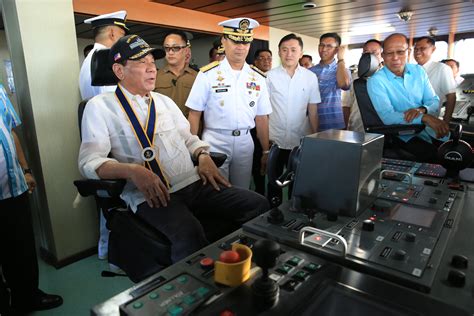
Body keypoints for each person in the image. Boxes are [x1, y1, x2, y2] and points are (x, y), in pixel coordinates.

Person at [78, 34, 269, 263]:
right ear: (119, 71)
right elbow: (89, 162)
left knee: (258, 204)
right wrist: (132, 171)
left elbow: (189, 138)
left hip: (194, 183)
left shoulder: (163, 101)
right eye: (141, 63)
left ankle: (246, 266)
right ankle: (195, 291)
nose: (152, 69)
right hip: (153, 196)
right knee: (189, 234)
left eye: (152, 62)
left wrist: (203, 155)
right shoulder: (100, 107)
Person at [186, 18, 272, 189]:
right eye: (235, 41)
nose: (241, 47)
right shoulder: (207, 74)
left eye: (246, 42)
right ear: (224, 41)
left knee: (242, 190)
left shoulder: (258, 77)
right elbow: (194, 115)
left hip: (245, 142)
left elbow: (262, 117)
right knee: (216, 191)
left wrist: (265, 150)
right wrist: (193, 150)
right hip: (215, 141)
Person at [0, 84, 63, 313]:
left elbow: (11, 132)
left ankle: (26, 297)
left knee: (21, 248)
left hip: (13, 187)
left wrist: (25, 170)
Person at [78, 10, 129, 261]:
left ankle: (107, 251)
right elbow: (116, 108)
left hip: (101, 137)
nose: (122, 40)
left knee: (108, 202)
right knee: (117, 202)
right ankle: (115, 255)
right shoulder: (106, 59)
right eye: (121, 34)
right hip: (111, 141)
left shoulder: (90, 59)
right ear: (112, 32)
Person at [367, 33, 450, 162]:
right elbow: (387, 117)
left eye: (400, 52)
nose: (395, 58)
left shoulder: (418, 71)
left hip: (430, 130)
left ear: (408, 52)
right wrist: (424, 118)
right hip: (402, 135)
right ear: (383, 56)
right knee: (439, 159)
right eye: (389, 53)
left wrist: (422, 110)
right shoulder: (376, 81)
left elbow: (433, 101)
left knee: (457, 151)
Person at [266, 34, 321, 202]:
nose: (288, 54)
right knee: (273, 182)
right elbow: (264, 111)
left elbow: (313, 110)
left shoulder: (310, 77)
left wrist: (315, 139)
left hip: (300, 140)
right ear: (279, 52)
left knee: (297, 183)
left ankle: (294, 215)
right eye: (284, 50)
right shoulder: (269, 76)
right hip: (275, 140)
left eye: (293, 50)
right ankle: (273, 214)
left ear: (300, 53)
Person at [79, 10, 128, 100]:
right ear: (112, 34)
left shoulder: (92, 57)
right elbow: (115, 99)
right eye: (122, 35)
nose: (124, 40)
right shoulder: (106, 59)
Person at [310, 33, 351, 131]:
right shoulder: (310, 71)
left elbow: (344, 84)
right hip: (313, 123)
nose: (324, 49)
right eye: (321, 45)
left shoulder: (342, 70)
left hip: (334, 124)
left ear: (337, 50)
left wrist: (341, 59)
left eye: (329, 46)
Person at [154, 31, 197, 116]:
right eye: (167, 48)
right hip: (163, 127)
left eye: (176, 48)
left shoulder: (197, 78)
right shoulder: (155, 77)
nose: (170, 52)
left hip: (190, 128)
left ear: (186, 50)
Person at [414, 36, 456, 122]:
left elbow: (451, 96)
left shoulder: (442, 68)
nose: (418, 52)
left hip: (429, 123)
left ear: (433, 49)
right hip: (406, 122)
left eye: (422, 48)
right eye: (416, 49)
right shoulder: (410, 70)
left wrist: (446, 122)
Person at [344, 39, 383, 132]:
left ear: (382, 56)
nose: (369, 56)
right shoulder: (353, 77)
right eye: (366, 53)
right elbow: (346, 105)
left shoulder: (389, 77)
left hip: (381, 129)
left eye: (374, 53)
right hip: (356, 128)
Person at [249, 49, 273, 195]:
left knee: (264, 167)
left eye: (269, 58)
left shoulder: (275, 77)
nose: (266, 61)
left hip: (269, 127)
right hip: (252, 129)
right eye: (262, 58)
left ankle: (261, 194)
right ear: (255, 61)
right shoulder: (250, 77)